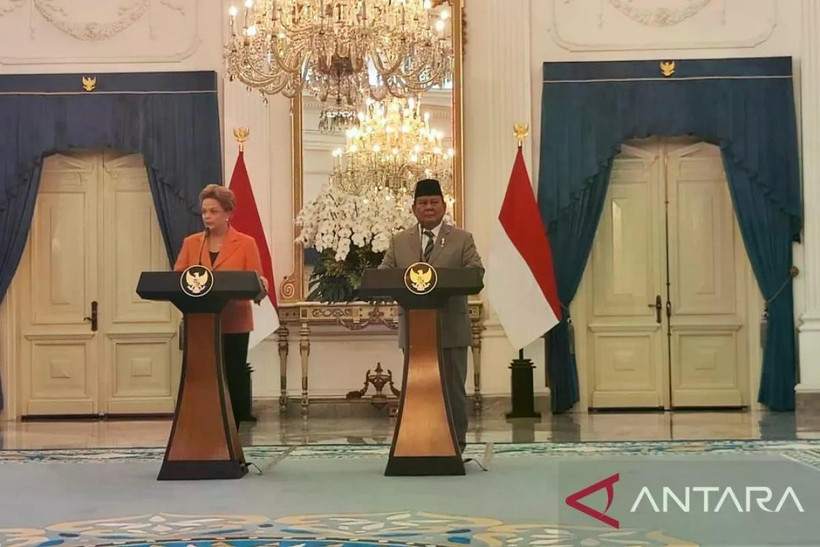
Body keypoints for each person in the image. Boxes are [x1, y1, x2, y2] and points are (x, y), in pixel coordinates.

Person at [379, 178, 484, 453]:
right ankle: (418, 444)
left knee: (453, 391)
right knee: (418, 391)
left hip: (451, 329)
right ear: (413, 208)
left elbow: (476, 273)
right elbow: (383, 275)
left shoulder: (462, 239)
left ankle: (455, 446)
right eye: (423, 203)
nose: (429, 207)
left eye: (434, 202)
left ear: (444, 206)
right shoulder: (400, 241)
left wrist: (445, 280)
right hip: (415, 333)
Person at [174, 184, 268, 427]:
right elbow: (178, 280)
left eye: (213, 211)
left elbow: (256, 283)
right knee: (202, 376)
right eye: (204, 211)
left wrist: (261, 286)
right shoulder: (191, 244)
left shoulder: (245, 243)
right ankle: (203, 425)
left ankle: (232, 427)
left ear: (228, 213)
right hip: (201, 323)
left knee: (232, 374)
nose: (207, 216)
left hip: (235, 322)